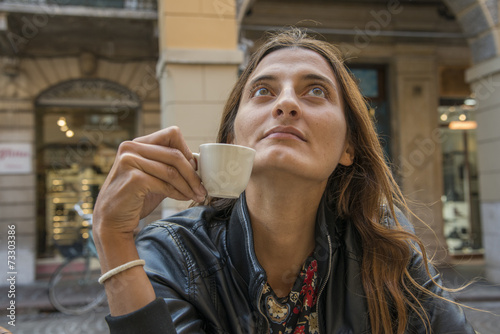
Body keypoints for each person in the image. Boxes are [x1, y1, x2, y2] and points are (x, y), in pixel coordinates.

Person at [93, 28, 476, 333]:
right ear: (232, 139)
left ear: (348, 147)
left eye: (315, 91)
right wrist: (112, 236)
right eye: (263, 91)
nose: (286, 103)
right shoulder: (172, 253)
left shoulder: (388, 251)